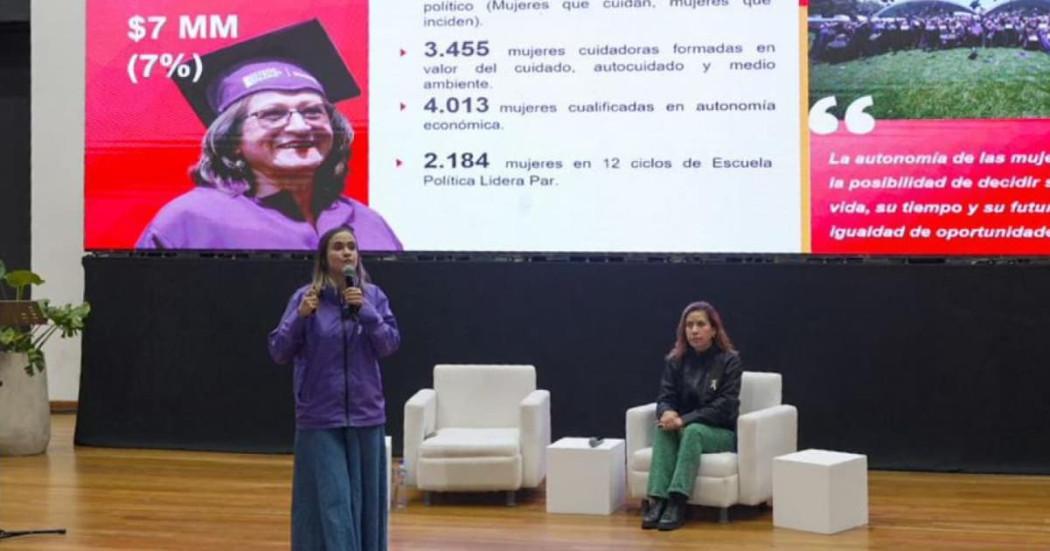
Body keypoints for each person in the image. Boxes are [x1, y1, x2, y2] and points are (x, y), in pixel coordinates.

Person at [136, 20, 402, 251]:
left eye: (313, 112)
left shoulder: (368, 223)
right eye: (273, 114)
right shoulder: (190, 223)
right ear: (233, 139)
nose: (300, 127)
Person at [268, 225, 400, 550]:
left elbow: (389, 345)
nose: (346, 253)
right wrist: (299, 318)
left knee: (366, 504)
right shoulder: (305, 298)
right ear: (324, 258)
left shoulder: (374, 296)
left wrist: (367, 313)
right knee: (333, 504)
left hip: (366, 416)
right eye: (338, 247)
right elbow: (279, 351)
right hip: (320, 419)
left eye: (351, 247)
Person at [641, 301, 742, 531]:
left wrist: (684, 420)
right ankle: (657, 500)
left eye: (700, 324)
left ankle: (677, 501)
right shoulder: (675, 361)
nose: (694, 330)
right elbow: (665, 396)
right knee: (664, 428)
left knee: (693, 431)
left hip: (720, 433)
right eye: (689, 325)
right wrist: (667, 412)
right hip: (683, 427)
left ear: (713, 330)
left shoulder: (729, 361)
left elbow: (725, 406)